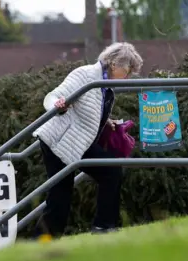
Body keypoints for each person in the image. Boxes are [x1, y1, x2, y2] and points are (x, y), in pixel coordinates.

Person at [32, 42, 143, 237]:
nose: (127, 77)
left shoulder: (106, 87)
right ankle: (40, 242)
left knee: (111, 170)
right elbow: (53, 96)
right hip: (58, 141)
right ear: (115, 64)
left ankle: (104, 227)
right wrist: (57, 105)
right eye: (127, 71)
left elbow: (88, 108)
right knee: (60, 196)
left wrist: (106, 121)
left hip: (78, 143)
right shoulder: (85, 75)